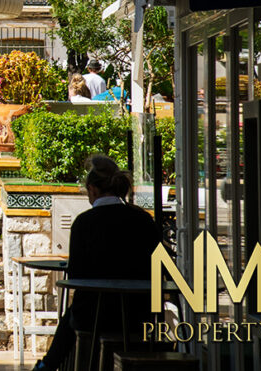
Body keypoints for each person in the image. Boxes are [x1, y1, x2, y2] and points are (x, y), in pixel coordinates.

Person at [32, 155, 161, 371]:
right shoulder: (144, 220)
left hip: (94, 316)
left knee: (71, 316)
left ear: (92, 189)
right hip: (140, 313)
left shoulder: (84, 223)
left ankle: (47, 366)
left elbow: (76, 276)